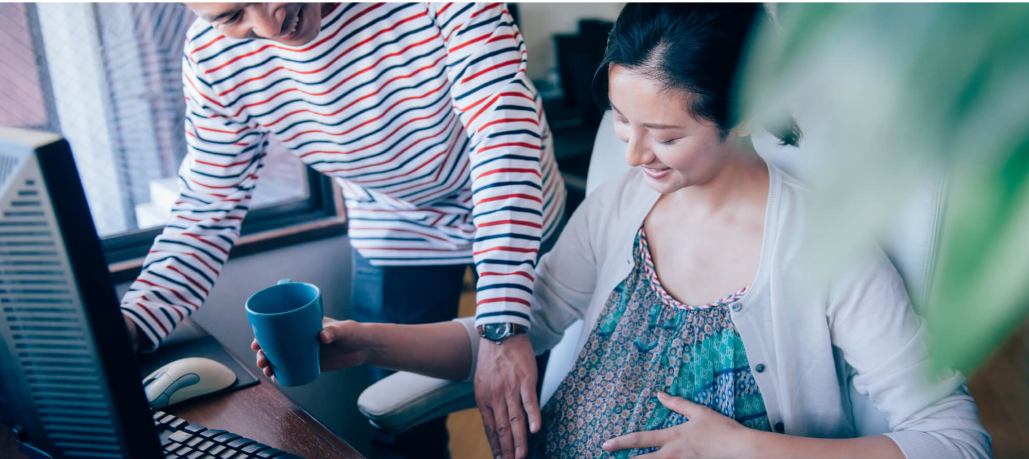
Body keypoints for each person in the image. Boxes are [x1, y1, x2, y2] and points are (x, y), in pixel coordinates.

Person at [254, 3, 993, 459]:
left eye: (664, 136)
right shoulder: (621, 206)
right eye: (620, 122)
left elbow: (953, 439)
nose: (633, 156)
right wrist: (361, 340)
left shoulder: (822, 250)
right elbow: (521, 328)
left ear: (738, 115)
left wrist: (750, 449)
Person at [118, 3, 565, 458]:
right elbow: (208, 204)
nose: (269, 27)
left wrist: (502, 324)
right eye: (232, 17)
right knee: (399, 427)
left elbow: (502, 133)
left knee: (533, 409)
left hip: (516, 206)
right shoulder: (212, 58)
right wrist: (132, 323)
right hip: (393, 224)